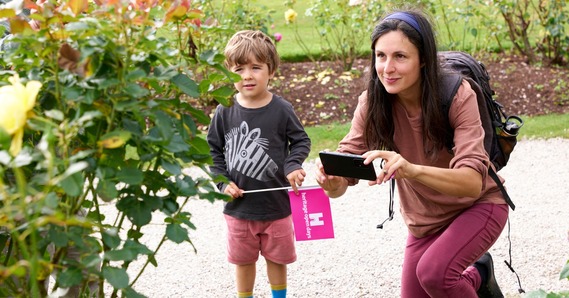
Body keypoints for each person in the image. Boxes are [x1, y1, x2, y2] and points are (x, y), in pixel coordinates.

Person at [315, 9, 509, 298]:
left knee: (435, 274)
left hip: (480, 206)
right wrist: (332, 182)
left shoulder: (457, 94)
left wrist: (411, 169)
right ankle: (478, 277)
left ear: (424, 60)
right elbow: (342, 174)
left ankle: (476, 276)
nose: (387, 68)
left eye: (400, 57)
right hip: (425, 222)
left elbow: (471, 183)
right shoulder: (372, 102)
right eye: (381, 56)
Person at [207, 30, 311, 298]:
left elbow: (300, 141)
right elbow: (213, 151)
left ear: (271, 71)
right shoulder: (224, 109)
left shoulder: (281, 109)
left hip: (276, 207)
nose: (247, 76)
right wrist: (222, 182)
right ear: (230, 73)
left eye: (256, 67)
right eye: (239, 69)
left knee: (277, 259)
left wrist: (293, 166)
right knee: (243, 261)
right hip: (239, 209)